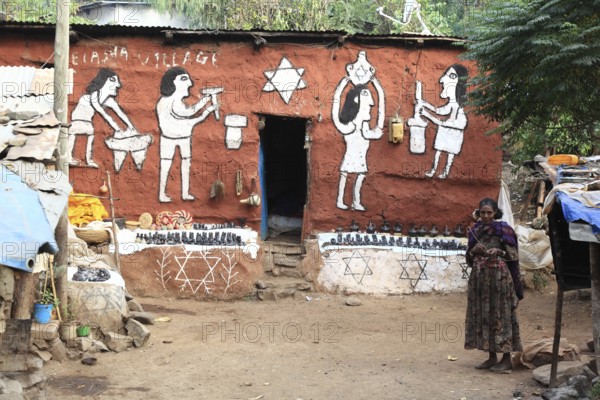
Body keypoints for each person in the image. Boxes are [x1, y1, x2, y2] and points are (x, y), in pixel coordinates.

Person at [465, 198, 524, 372]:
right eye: (482, 212)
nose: (486, 216)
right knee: (485, 316)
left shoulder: (504, 230)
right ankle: (491, 357)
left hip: (499, 280)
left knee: (501, 315)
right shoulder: (475, 230)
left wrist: (499, 251)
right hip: (480, 281)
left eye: (489, 212)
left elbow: (513, 255)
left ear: (495, 213)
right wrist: (472, 252)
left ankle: (506, 359)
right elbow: (469, 260)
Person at [156, 67, 217, 202]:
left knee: (185, 163)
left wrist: (206, 105)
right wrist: (206, 106)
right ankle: (162, 193)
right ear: (172, 82)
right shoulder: (169, 101)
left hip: (182, 137)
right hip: (170, 138)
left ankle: (184, 193)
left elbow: (186, 118)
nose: (190, 83)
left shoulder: (176, 102)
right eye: (184, 79)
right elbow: (188, 114)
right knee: (167, 164)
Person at [332, 76, 384, 211]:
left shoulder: (365, 127)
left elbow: (379, 122)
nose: (371, 105)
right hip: (351, 157)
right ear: (356, 101)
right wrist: (340, 88)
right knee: (345, 174)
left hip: (361, 158)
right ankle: (340, 200)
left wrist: (379, 90)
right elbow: (335, 114)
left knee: (359, 175)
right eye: (367, 102)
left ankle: (356, 201)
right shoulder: (350, 126)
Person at [69, 68, 135, 168]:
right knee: (76, 133)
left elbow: (120, 113)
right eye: (113, 81)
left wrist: (131, 127)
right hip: (78, 118)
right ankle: (69, 157)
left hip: (87, 119)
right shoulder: (94, 95)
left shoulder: (108, 100)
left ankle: (88, 159)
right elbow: (102, 113)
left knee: (90, 135)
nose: (118, 85)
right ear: (106, 81)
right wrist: (117, 128)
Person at [419, 64, 468, 179]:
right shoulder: (451, 104)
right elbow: (439, 111)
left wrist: (427, 114)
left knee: (449, 154)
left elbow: (443, 121)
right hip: (445, 131)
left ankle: (445, 172)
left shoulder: (458, 108)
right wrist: (426, 105)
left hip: (452, 132)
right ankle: (434, 170)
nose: (441, 80)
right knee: (438, 152)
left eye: (451, 76)